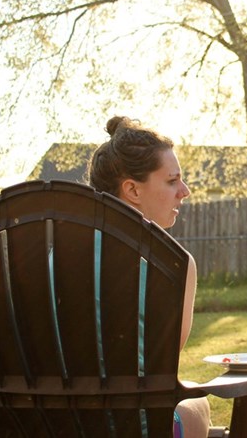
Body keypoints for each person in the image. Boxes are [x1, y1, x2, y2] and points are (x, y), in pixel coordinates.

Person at [87, 116, 210, 438]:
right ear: (132, 189)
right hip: (137, 428)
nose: (185, 191)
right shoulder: (174, 264)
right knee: (196, 404)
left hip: (48, 424)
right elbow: (164, 364)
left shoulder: (49, 258)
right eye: (172, 181)